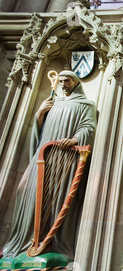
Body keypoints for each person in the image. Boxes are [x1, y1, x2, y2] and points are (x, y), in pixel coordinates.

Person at [1, 70, 97, 259]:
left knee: (54, 198)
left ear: (75, 82)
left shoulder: (85, 105)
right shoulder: (52, 103)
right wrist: (40, 113)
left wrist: (74, 139)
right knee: (24, 191)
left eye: (66, 80)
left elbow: (88, 127)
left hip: (63, 157)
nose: (63, 84)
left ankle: (47, 242)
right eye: (60, 81)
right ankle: (23, 242)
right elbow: (39, 131)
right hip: (43, 155)